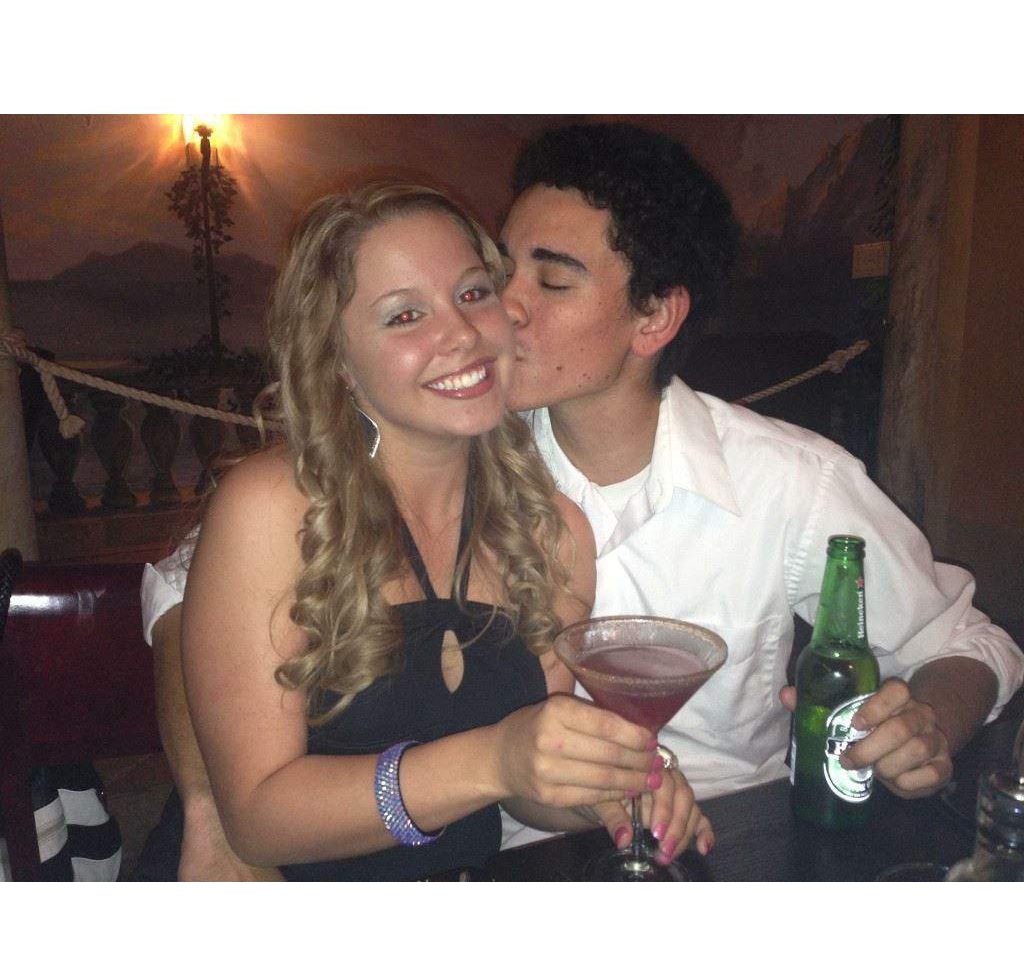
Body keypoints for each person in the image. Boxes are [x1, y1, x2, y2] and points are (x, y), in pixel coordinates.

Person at [143, 122, 1023, 877]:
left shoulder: (783, 482)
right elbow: (184, 590)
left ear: (654, 318)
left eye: (543, 281)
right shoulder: (440, 438)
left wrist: (927, 725)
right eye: (499, 272)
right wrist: (213, 813)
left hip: (719, 837)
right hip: (497, 854)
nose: (496, 314)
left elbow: (965, 639)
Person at [137, 180, 706, 882]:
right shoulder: (272, 508)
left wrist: (601, 793)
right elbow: (255, 819)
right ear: (338, 362)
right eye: (405, 315)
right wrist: (493, 757)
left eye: (473, 293)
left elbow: (519, 790)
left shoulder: (552, 533)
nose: (462, 333)